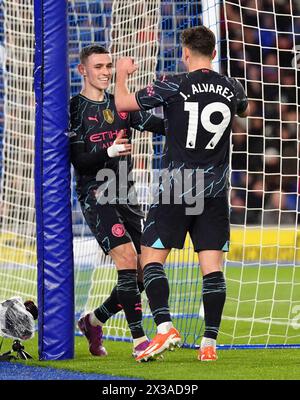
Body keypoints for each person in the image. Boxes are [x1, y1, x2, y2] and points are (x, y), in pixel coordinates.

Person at [115, 26, 250, 362]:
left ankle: (164, 327)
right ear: (215, 54)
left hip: (177, 186)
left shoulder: (174, 82)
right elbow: (244, 110)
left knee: (151, 259)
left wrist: (120, 74)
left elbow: (123, 103)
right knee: (212, 267)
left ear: (186, 53)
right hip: (216, 190)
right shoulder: (232, 87)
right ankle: (209, 345)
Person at [69, 45, 165, 359]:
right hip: (96, 193)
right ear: (82, 70)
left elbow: (158, 125)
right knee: (125, 257)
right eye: (98, 66)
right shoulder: (74, 108)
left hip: (126, 193)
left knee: (141, 270)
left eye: (109, 66)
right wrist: (107, 152)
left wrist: (186, 112)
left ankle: (94, 321)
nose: (106, 72)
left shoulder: (121, 105)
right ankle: (140, 340)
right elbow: (79, 160)